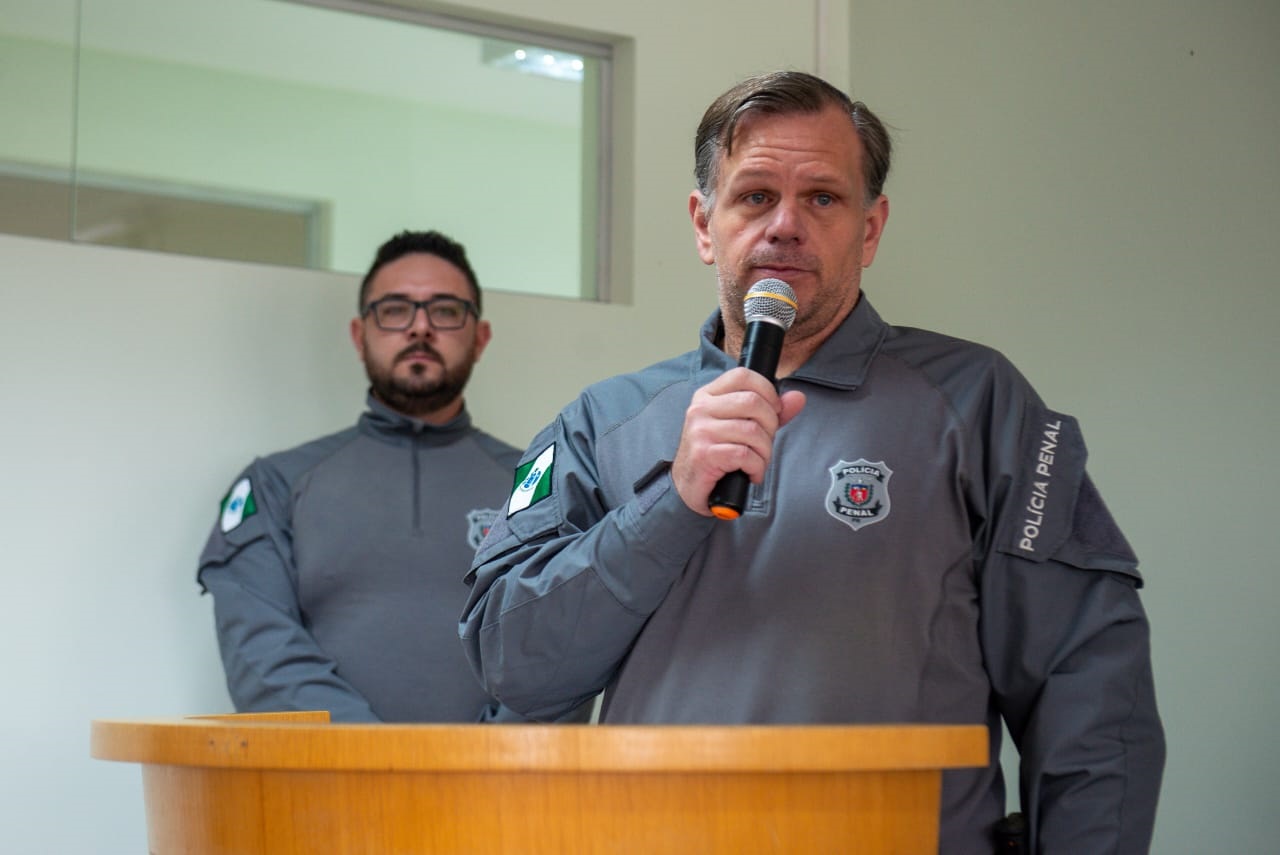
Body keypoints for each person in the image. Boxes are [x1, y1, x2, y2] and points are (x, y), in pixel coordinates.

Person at [459, 72, 1165, 850]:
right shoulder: (597, 423)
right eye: (755, 196)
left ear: (870, 228)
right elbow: (511, 662)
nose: (786, 225)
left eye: (823, 197)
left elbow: (1090, 691)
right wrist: (671, 504)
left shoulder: (979, 402)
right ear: (704, 224)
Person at [198, 229, 534, 723]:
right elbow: (261, 653)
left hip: (505, 773)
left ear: (480, 337)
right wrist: (372, 756)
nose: (420, 328)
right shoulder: (275, 487)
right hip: (327, 773)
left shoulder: (537, 489)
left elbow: (566, 648)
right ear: (360, 335)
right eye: (395, 310)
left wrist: (486, 756)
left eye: (445, 311)